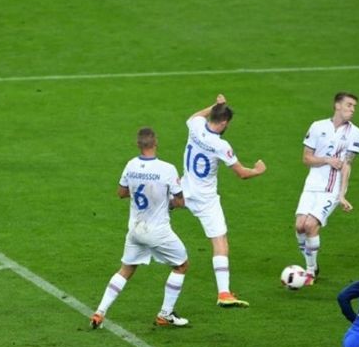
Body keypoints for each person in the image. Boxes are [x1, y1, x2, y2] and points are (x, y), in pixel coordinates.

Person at [90, 127, 190, 329]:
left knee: (125, 269)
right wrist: (168, 201)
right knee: (181, 265)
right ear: (156, 143)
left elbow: (121, 192)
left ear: (138, 144)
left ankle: (99, 312)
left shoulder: (131, 165)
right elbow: (180, 202)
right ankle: (165, 314)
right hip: (157, 231)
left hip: (136, 229)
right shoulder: (167, 169)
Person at [181, 94, 266, 307]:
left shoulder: (195, 126)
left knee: (161, 211)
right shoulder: (221, 145)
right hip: (205, 199)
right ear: (224, 123)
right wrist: (257, 170)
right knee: (220, 242)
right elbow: (242, 174)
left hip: (184, 189)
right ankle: (224, 293)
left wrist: (215, 105)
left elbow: (195, 115)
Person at [294, 92, 359, 286]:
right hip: (311, 186)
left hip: (331, 190)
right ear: (337, 105)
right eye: (349, 105)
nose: (352, 109)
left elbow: (347, 165)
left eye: (354, 106)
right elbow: (306, 158)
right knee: (299, 226)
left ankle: (309, 273)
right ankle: (312, 265)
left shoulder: (355, 133)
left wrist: (342, 195)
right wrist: (326, 159)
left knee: (310, 226)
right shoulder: (317, 126)